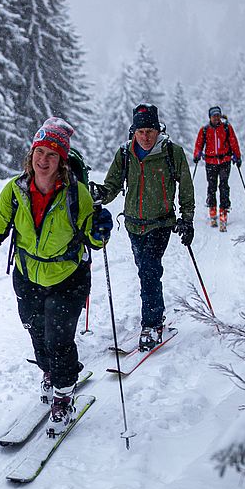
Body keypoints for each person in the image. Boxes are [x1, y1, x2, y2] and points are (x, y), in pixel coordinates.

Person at [0, 117, 112, 435]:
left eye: (52, 154)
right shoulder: (15, 191)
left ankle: (64, 398)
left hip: (68, 277)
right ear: (31, 154)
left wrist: (100, 230)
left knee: (59, 338)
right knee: (36, 332)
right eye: (39, 151)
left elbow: (93, 239)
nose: (43, 159)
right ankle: (51, 373)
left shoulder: (75, 194)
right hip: (27, 275)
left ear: (61, 161)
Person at [94, 103, 195, 351]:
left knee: (149, 270)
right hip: (132, 224)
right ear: (134, 132)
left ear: (158, 130)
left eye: (150, 130)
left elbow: (186, 187)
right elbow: (112, 186)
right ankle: (156, 314)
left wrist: (187, 218)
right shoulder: (125, 154)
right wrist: (97, 194)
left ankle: (151, 324)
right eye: (141, 131)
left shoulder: (172, 152)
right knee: (145, 270)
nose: (146, 136)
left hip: (161, 223)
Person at [193, 105, 242, 231]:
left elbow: (233, 142)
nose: (216, 118)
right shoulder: (204, 130)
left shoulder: (226, 127)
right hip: (210, 162)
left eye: (217, 115)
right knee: (212, 186)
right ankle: (212, 211)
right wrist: (197, 154)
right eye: (214, 116)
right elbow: (199, 144)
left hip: (225, 161)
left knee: (224, 186)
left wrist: (237, 156)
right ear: (210, 117)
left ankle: (223, 211)